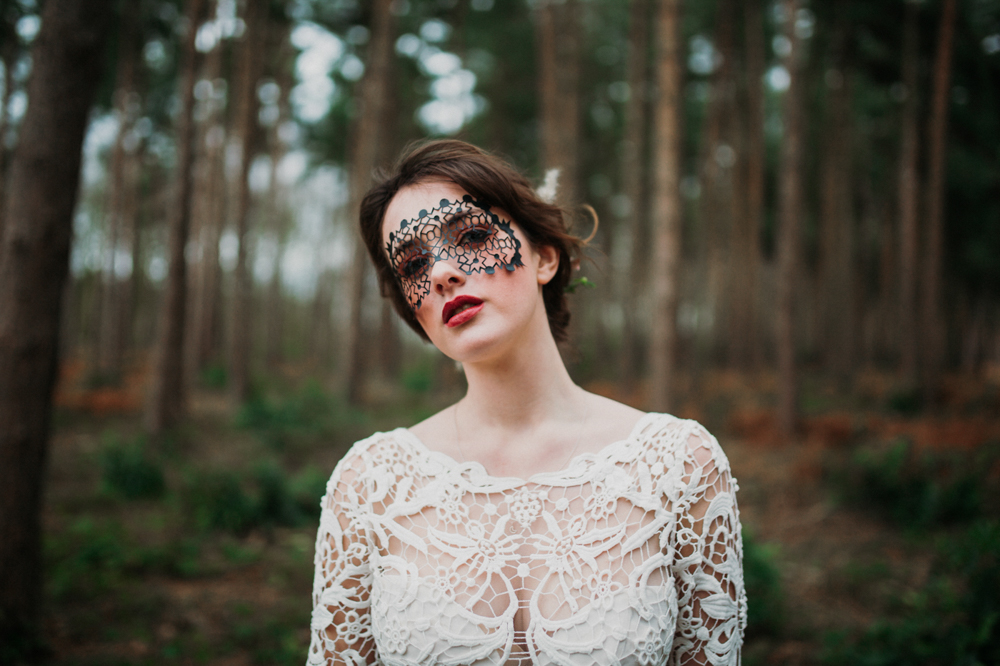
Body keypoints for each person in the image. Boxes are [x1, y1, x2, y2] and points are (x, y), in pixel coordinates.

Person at [308, 140, 746, 665]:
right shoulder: (369, 484)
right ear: (411, 306)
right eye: (413, 264)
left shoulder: (681, 466)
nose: (442, 273)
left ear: (544, 256)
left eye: (470, 236)